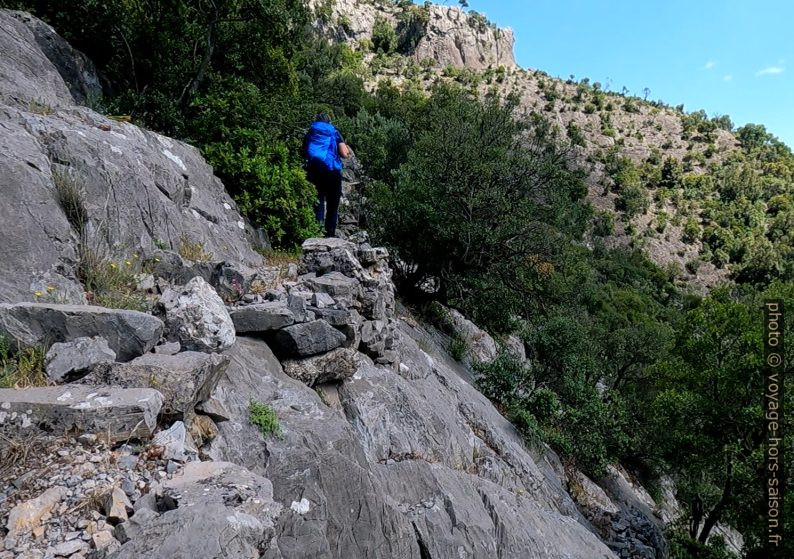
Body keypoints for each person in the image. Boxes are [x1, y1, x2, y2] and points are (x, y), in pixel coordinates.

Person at [302, 113, 350, 238]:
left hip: (314, 171)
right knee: (332, 206)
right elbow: (344, 153)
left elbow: (304, 151)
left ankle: (316, 232)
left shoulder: (311, 131)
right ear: (329, 122)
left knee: (318, 202)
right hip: (332, 171)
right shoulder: (334, 131)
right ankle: (330, 235)